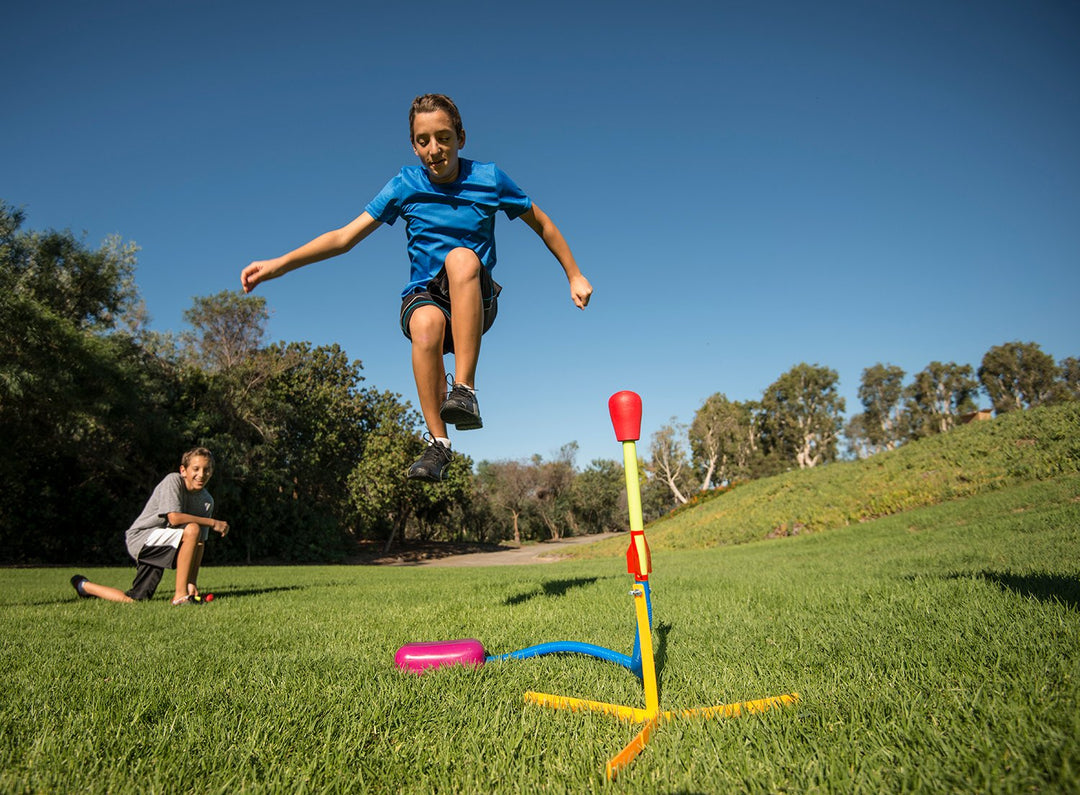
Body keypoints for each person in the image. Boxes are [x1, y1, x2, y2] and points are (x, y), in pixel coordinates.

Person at [240, 93, 593, 482]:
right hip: (425, 295)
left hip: (475, 297)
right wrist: (280, 265)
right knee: (424, 325)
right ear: (413, 145)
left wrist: (573, 274)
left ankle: (465, 390)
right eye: (423, 141)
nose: (434, 149)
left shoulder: (489, 178)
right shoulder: (404, 185)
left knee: (461, 259)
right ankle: (438, 445)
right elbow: (344, 237)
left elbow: (542, 222)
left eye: (443, 138)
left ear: (461, 137)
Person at [70, 448, 229, 605]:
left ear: (211, 472)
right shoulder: (173, 480)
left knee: (135, 600)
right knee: (193, 528)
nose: (201, 474)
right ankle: (180, 597)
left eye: (206, 470)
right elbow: (174, 518)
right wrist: (213, 522)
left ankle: (83, 586)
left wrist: (192, 582)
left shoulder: (207, 501)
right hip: (142, 539)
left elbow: (199, 544)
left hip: (167, 542)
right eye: (196, 469)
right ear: (183, 470)